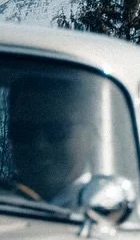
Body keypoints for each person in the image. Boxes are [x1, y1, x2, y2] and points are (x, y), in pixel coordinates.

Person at [8, 71, 104, 205]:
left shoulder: (105, 210)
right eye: (24, 131)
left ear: (89, 137)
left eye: (56, 131)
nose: (39, 145)